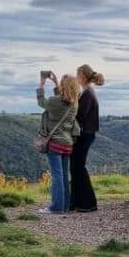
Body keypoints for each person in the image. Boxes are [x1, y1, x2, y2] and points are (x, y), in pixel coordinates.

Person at [36, 72, 81, 214]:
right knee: (63, 176)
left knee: (57, 176)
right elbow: (62, 99)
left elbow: (42, 102)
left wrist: (42, 83)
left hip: (55, 144)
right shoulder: (75, 104)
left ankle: (56, 207)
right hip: (68, 144)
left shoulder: (55, 102)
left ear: (63, 86)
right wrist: (55, 83)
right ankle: (65, 206)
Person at [70, 64, 104, 212]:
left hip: (84, 135)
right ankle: (78, 201)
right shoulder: (88, 92)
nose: (76, 78)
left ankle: (88, 203)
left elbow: (79, 116)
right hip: (87, 134)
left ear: (82, 76)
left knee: (78, 167)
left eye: (77, 75)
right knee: (76, 167)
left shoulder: (88, 94)